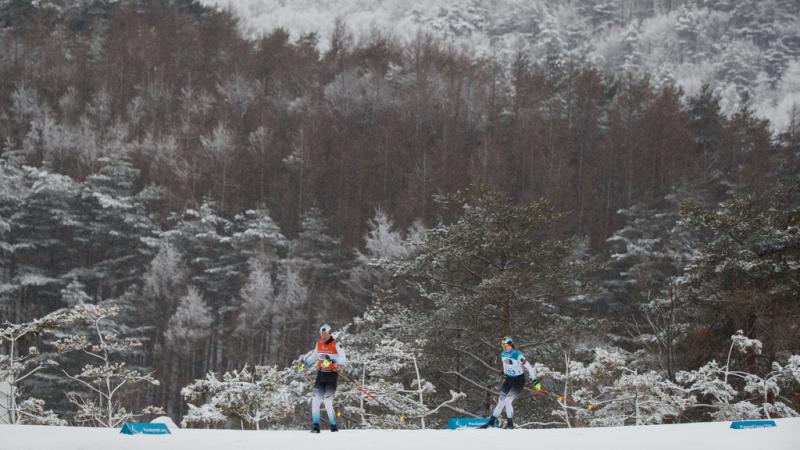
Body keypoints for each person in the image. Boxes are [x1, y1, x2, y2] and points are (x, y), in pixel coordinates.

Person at [480, 336, 541, 429]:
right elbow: (505, 365)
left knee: (508, 401)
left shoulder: (518, 355)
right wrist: (505, 374)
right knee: (501, 401)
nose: (504, 347)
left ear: (511, 344)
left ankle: (510, 424)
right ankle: (491, 422)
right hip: (509, 380)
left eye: (506, 345)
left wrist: (535, 381)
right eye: (502, 345)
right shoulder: (503, 353)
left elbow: (529, 368)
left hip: (518, 381)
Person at [299, 323, 347, 433]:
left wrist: (333, 360)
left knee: (327, 401)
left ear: (330, 333)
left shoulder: (336, 344)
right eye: (321, 334)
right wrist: (305, 363)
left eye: (325, 334)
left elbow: (343, 359)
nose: (323, 336)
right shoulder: (319, 343)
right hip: (320, 375)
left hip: (331, 375)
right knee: (315, 401)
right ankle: (316, 427)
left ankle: (333, 426)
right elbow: (314, 356)